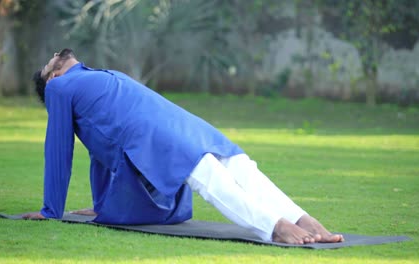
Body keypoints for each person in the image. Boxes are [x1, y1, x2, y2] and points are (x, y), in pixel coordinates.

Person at [22, 48, 344, 245]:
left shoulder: (88, 79)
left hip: (168, 121)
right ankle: (281, 225)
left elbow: (96, 146)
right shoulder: (60, 89)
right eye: (49, 64)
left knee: (237, 167)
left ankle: (298, 219)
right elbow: (62, 150)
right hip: (163, 128)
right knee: (221, 173)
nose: (53, 56)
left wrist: (87, 205)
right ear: (51, 80)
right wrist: (58, 209)